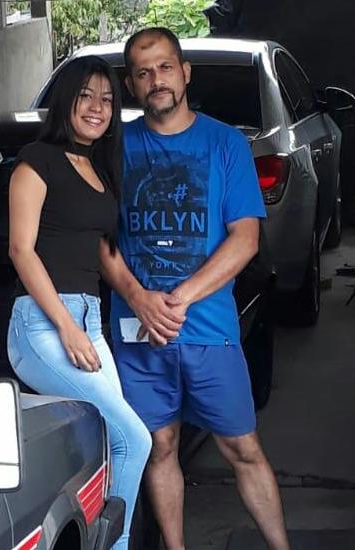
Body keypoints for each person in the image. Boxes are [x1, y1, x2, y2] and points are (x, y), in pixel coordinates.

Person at [100, 28, 290, 550]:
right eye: (143, 72)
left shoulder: (225, 144)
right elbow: (99, 240)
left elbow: (245, 239)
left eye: (165, 67)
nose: (156, 80)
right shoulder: (114, 149)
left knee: (243, 448)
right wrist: (138, 298)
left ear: (184, 73)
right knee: (160, 447)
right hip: (138, 333)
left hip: (208, 329)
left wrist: (179, 298)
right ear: (131, 85)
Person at [7, 55, 152, 550]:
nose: (97, 107)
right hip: (43, 324)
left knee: (111, 447)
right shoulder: (37, 160)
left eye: (107, 99)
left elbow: (101, 250)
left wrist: (139, 297)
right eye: (86, 96)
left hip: (90, 320)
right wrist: (66, 327)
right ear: (66, 100)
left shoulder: (99, 168)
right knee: (135, 438)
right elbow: (21, 250)